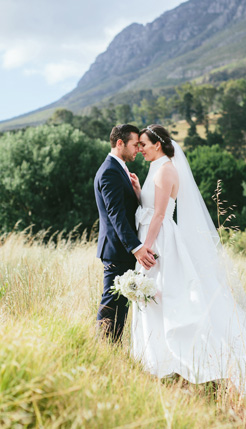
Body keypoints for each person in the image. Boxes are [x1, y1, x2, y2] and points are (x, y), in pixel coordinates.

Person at [130, 124, 246, 397]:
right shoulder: (156, 167)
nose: (140, 148)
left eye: (143, 144)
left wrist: (145, 246)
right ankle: (159, 359)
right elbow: (149, 206)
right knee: (158, 297)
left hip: (161, 241)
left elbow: (158, 215)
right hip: (155, 238)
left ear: (157, 144)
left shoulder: (167, 169)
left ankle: (180, 359)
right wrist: (136, 189)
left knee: (170, 297)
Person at [93, 124, 156, 342]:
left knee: (121, 304)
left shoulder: (119, 169)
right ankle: (101, 349)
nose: (138, 149)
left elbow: (127, 210)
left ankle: (112, 349)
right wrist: (136, 248)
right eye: (134, 144)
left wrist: (138, 193)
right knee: (111, 302)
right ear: (120, 143)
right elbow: (116, 216)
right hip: (116, 250)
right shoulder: (110, 171)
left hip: (121, 250)